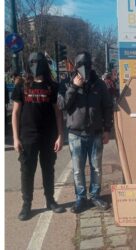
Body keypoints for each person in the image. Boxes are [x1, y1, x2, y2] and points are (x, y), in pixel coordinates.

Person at [12, 52, 65, 221]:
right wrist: (15, 138)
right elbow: (15, 113)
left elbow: (58, 114)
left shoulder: (52, 86)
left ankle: (50, 200)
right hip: (28, 137)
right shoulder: (22, 85)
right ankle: (26, 205)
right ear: (28, 64)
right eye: (32, 62)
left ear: (44, 64)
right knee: (27, 171)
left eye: (38, 62)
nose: (35, 65)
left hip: (48, 137)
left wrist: (60, 136)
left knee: (48, 170)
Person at [58, 51, 113, 213]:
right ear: (75, 66)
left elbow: (108, 107)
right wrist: (74, 86)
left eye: (87, 65)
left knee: (96, 168)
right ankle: (80, 198)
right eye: (81, 65)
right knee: (77, 169)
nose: (85, 69)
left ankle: (95, 195)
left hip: (95, 133)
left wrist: (107, 129)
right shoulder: (66, 82)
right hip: (75, 134)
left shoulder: (99, 84)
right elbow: (62, 106)